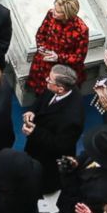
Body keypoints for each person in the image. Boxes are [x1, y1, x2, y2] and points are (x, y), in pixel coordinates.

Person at [21, 63, 86, 192]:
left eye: (49, 80)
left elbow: (60, 145)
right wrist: (32, 111)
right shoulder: (57, 87)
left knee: (43, 179)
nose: (46, 80)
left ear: (60, 89)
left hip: (48, 158)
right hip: (38, 144)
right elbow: (42, 98)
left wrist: (34, 132)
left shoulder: (73, 118)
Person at [26, 0, 89, 96]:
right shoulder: (51, 14)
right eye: (55, 8)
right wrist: (41, 46)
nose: (54, 12)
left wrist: (58, 57)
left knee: (60, 98)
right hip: (43, 63)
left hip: (63, 70)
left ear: (67, 14)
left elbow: (79, 57)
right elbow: (41, 33)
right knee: (41, 94)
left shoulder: (81, 30)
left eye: (58, 11)